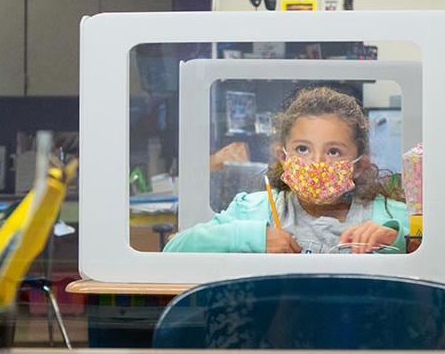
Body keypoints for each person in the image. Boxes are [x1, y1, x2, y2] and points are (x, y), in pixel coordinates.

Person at [164, 86, 407, 254]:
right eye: (302, 149)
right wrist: (254, 239)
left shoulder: (386, 214)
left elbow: (436, 250)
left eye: (333, 151)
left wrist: (393, 239)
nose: (317, 163)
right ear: (283, 156)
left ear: (359, 165)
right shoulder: (254, 210)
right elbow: (175, 248)